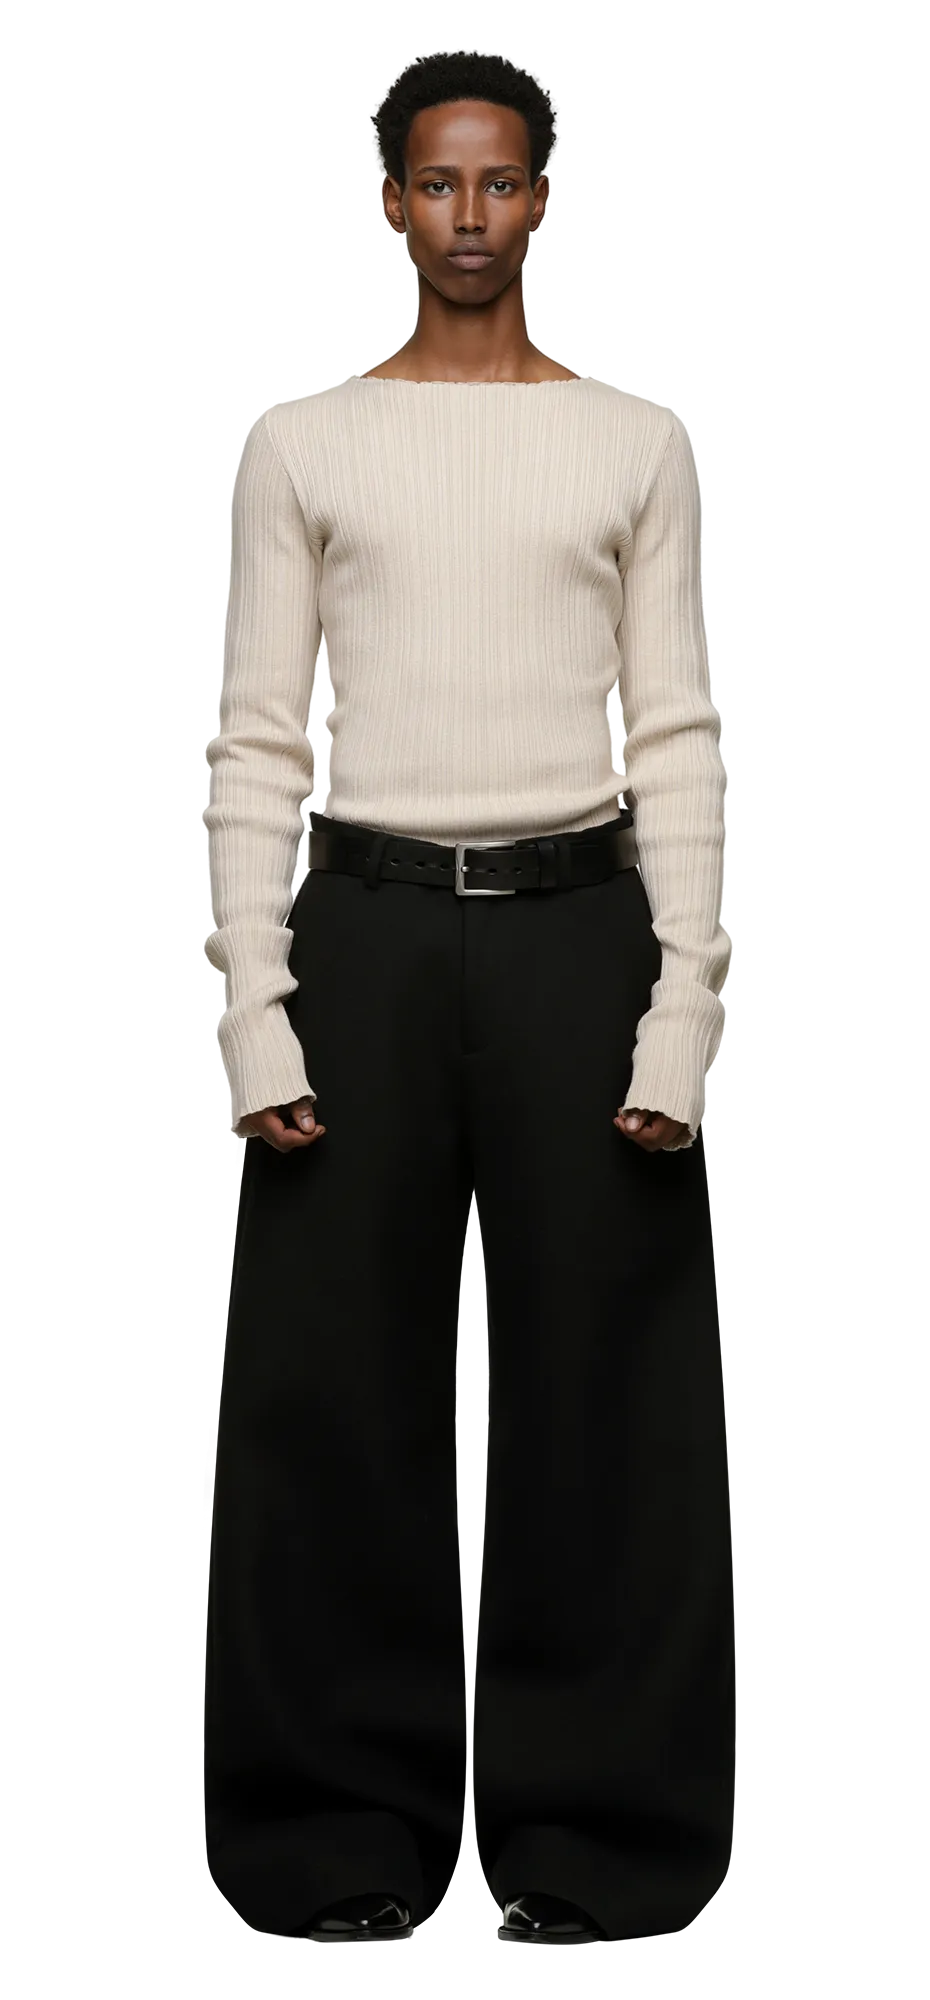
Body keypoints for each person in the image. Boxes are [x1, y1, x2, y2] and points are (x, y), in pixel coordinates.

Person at [200, 49, 734, 1949]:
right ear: (386, 200)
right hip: (362, 933)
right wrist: (255, 1012)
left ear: (544, 196)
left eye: (500, 182)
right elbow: (258, 741)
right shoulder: (302, 443)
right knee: (331, 1399)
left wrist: (683, 1009)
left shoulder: (634, 440)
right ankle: (336, 1837)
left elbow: (676, 731)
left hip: (581, 931)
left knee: (607, 1398)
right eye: (435, 183)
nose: (469, 217)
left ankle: (593, 1842)